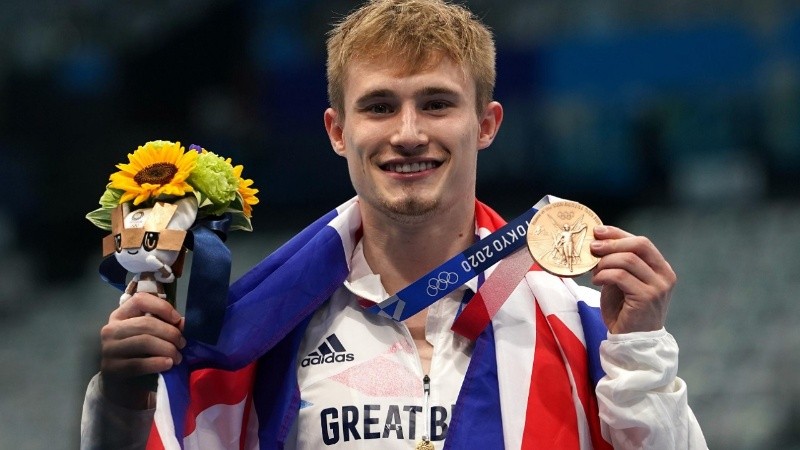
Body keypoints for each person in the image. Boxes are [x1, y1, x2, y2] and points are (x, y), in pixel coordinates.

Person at [81, 0, 708, 448]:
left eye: (436, 103)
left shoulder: (577, 315)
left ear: (486, 124)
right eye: (379, 107)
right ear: (337, 131)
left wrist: (640, 347)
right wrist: (120, 398)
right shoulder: (262, 328)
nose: (408, 134)